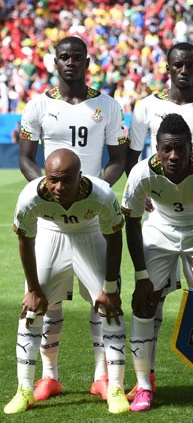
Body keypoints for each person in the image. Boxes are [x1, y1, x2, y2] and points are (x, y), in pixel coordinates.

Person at [17, 36, 127, 403]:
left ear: (87, 62)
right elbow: (26, 158)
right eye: (64, 57)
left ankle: (102, 378)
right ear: (55, 61)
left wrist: (92, 191)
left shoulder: (108, 106)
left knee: (104, 300)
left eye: (76, 57)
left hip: (92, 219)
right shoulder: (37, 105)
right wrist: (49, 192)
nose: (70, 62)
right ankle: (49, 377)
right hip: (51, 222)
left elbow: (118, 159)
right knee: (46, 302)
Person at [125, 41, 193, 398]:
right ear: (168, 67)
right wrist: (151, 194)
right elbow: (133, 160)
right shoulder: (146, 107)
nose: (184, 70)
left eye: (191, 64)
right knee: (146, 300)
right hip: (160, 224)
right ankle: (145, 383)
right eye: (178, 64)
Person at [4, 149, 129, 415]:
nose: (59, 187)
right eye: (53, 180)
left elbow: (115, 238)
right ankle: (25, 388)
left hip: (90, 233)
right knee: (32, 310)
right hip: (51, 235)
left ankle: (113, 385)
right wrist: (34, 289)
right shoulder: (30, 196)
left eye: (67, 180)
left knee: (110, 309)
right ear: (45, 177)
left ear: (80, 177)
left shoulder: (102, 195)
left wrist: (109, 288)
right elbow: (25, 240)